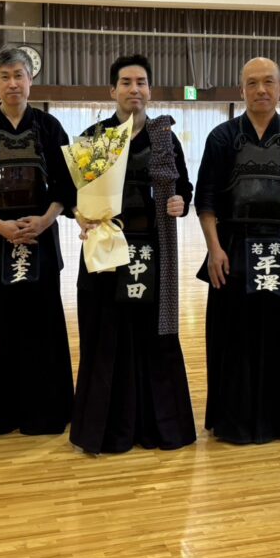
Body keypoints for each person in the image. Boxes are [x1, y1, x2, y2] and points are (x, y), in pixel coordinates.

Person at [70, 54, 196, 455]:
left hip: (155, 250)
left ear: (150, 90)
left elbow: (184, 188)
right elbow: (78, 197)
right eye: (126, 82)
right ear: (113, 91)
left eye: (141, 82)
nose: (134, 89)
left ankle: (159, 426)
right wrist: (81, 216)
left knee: (153, 336)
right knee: (107, 334)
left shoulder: (164, 137)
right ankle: (108, 430)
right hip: (108, 251)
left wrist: (180, 202)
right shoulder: (96, 136)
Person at [195, 57, 280, 444]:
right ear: (242, 91)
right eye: (252, 83)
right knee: (233, 337)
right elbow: (206, 200)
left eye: (269, 82)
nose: (261, 90)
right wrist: (214, 249)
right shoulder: (221, 137)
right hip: (233, 246)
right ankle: (233, 421)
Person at [0, 48, 74, 440]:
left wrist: (44, 220)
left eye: (19, 75)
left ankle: (43, 413)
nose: (13, 84)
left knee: (40, 331)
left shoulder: (50, 127)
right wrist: (2, 228)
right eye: (5, 76)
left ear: (30, 80)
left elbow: (65, 187)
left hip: (40, 242)